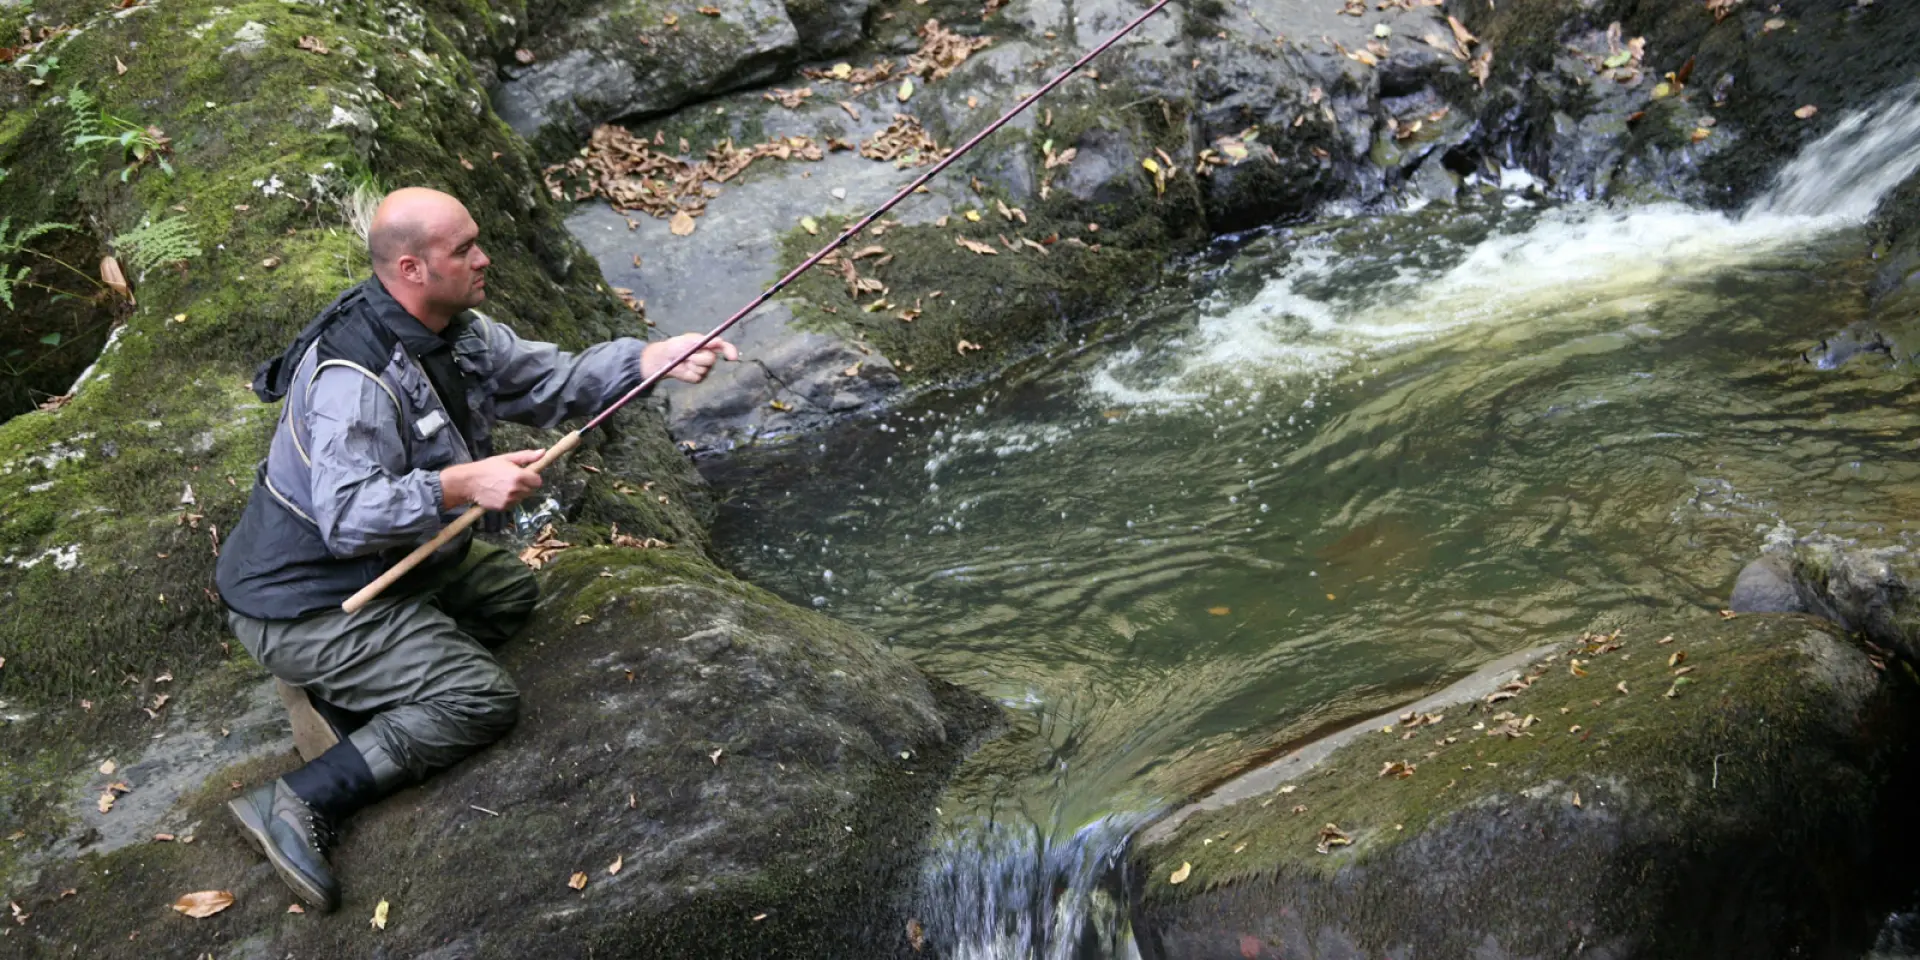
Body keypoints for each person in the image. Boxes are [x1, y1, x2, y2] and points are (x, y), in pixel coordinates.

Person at [213, 187, 736, 912]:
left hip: (386, 573)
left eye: (476, 241)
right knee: (476, 697)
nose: (484, 258)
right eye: (464, 250)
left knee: (506, 592)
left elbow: (549, 381)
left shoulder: (455, 331)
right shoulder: (353, 379)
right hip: (307, 602)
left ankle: (347, 696)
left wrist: (652, 357)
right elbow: (345, 514)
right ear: (410, 268)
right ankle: (296, 799)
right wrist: (460, 484)